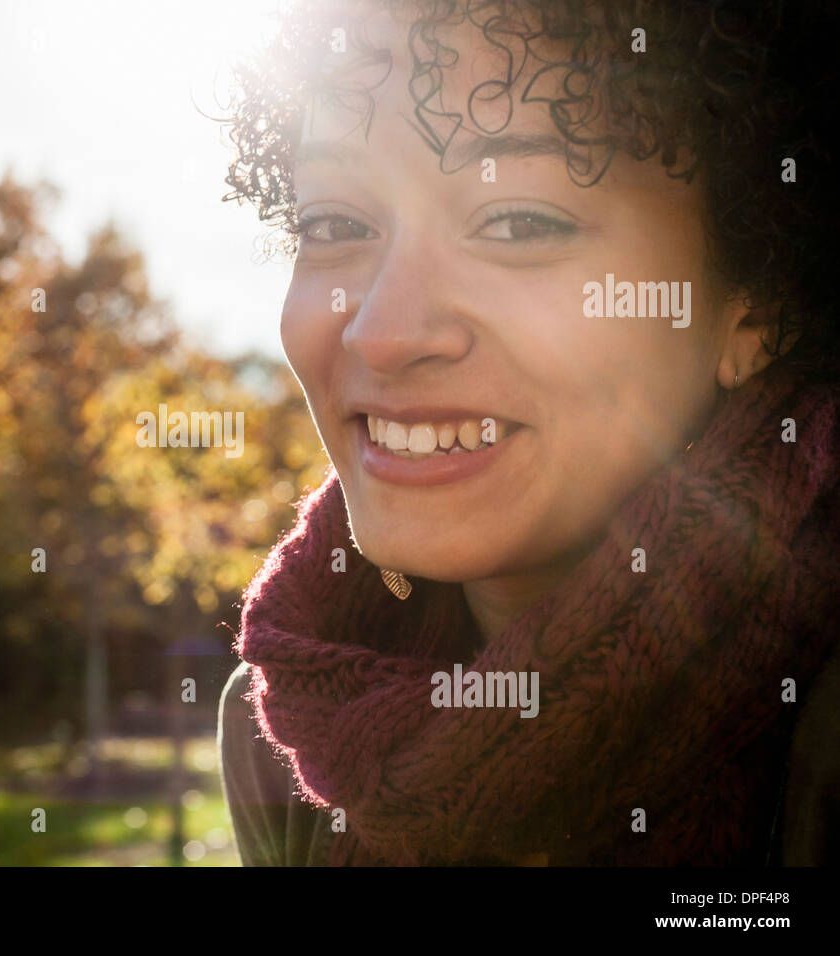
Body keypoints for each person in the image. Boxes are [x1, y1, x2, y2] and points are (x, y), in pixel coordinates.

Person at [215, 0, 840, 865]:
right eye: (334, 225)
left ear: (756, 304)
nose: (381, 332)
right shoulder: (277, 731)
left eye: (518, 221)